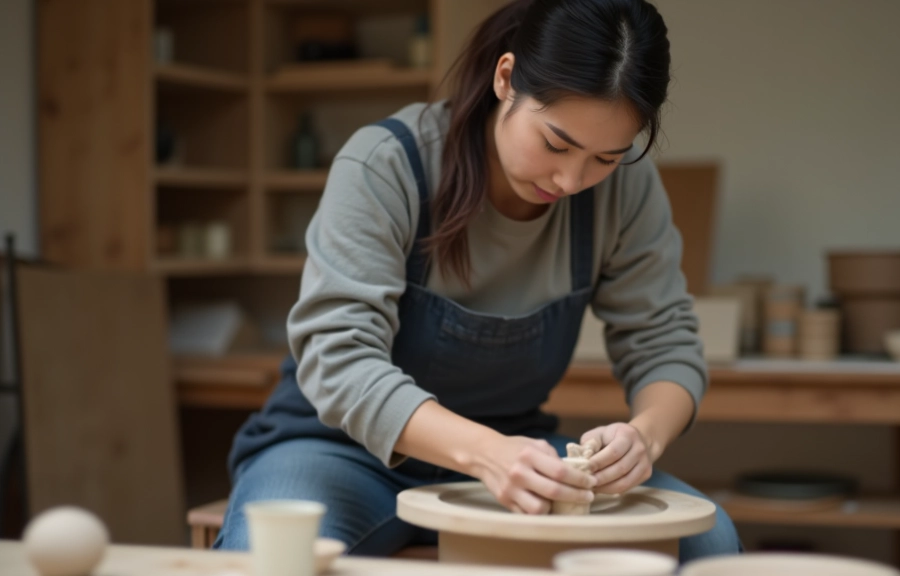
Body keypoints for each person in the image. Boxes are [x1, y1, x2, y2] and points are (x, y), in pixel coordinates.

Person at [214, 0, 741, 560]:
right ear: (506, 77)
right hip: (341, 451)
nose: (571, 179)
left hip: (520, 457)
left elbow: (665, 342)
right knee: (266, 558)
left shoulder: (625, 192)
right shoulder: (388, 164)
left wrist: (645, 436)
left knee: (708, 540)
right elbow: (338, 360)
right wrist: (486, 453)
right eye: (556, 144)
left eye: (605, 157)